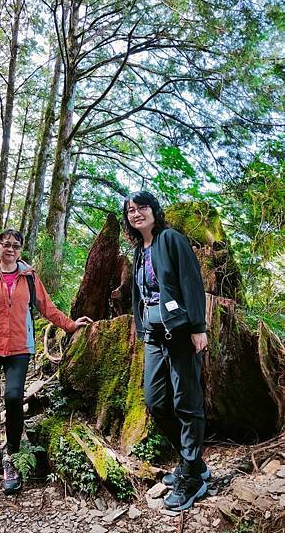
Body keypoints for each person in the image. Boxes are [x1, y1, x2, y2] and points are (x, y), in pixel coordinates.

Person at [0, 228, 92, 495]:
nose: (11, 249)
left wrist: (70, 325)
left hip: (19, 348)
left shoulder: (29, 277)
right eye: (6, 244)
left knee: (14, 397)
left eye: (16, 246)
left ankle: (12, 457)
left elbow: (46, 307)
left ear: (20, 250)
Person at [123, 191, 210, 511]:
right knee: (156, 401)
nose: (136, 214)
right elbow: (139, 295)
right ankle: (195, 464)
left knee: (186, 401)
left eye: (141, 207)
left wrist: (198, 327)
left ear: (153, 211)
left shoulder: (171, 239)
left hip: (180, 331)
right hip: (153, 336)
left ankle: (191, 474)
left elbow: (191, 281)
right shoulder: (138, 250)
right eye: (130, 210)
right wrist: (141, 326)